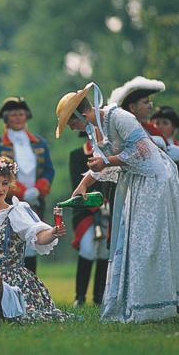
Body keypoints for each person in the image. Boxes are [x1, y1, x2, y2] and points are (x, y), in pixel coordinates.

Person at [56, 82, 179, 323]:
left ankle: (157, 304)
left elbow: (143, 153)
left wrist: (107, 162)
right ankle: (134, 301)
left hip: (155, 180)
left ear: (82, 114)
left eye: (72, 123)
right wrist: (83, 185)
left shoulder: (120, 118)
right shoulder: (97, 128)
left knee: (147, 241)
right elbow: (101, 161)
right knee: (130, 241)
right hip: (135, 182)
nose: (74, 128)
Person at [0, 157, 70, 323]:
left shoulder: (16, 212)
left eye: (5, 183)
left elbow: (37, 235)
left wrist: (53, 232)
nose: (1, 188)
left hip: (11, 283)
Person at [0, 96, 55, 273]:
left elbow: (48, 170)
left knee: (32, 242)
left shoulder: (40, 143)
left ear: (27, 116)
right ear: (6, 118)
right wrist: (22, 192)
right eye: (14, 114)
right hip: (7, 201)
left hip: (35, 200)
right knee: (9, 244)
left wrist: (38, 190)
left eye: (21, 114)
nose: (18, 118)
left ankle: (30, 288)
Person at [69, 132, 110, 308]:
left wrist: (108, 203)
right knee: (87, 249)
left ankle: (99, 297)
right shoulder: (77, 155)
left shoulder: (110, 154)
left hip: (109, 209)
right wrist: (98, 204)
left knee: (104, 252)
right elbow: (77, 187)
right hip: (85, 211)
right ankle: (80, 296)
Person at [109, 76, 179, 164]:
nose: (150, 105)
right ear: (132, 107)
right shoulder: (122, 132)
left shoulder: (151, 129)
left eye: (150, 102)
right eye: (146, 102)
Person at [151, 106, 179, 234]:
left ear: (173, 127)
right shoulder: (145, 149)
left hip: (177, 205)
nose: (160, 126)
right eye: (156, 123)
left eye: (165, 123)